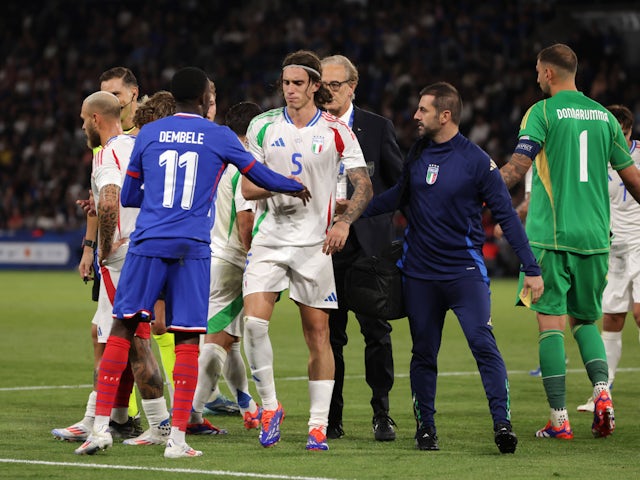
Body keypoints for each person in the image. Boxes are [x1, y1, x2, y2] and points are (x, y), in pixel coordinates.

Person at [74, 66, 310, 459]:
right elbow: (259, 173)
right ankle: (178, 440)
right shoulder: (217, 136)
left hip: (148, 242)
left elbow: (130, 193)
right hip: (192, 246)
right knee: (187, 338)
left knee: (122, 327)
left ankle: (98, 428)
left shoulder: (147, 133)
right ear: (203, 100)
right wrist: (294, 185)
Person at [363, 82, 544, 454]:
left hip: (463, 274)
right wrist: (351, 212)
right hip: (419, 275)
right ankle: (425, 428)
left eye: (423, 110)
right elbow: (397, 196)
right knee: (424, 352)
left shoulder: (476, 161)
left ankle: (502, 424)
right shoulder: (417, 153)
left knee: (483, 344)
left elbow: (507, 217)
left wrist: (532, 267)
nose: (415, 115)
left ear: (445, 115)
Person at [499, 43, 640, 440]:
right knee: (586, 322)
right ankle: (602, 393)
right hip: (596, 238)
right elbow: (633, 180)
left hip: (551, 236)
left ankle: (559, 419)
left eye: (536, 71)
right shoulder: (604, 117)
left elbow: (518, 166)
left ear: (547, 73)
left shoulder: (541, 112)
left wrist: (477, 186)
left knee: (550, 326)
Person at [241, 49, 373, 451]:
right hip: (270, 240)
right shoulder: (262, 125)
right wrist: (282, 184)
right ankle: (270, 407)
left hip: (314, 246)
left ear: (315, 86)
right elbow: (247, 188)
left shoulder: (336, 130)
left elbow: (363, 185)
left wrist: (344, 222)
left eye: (298, 83)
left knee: (319, 337)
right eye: (285, 83)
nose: (290, 91)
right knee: (253, 324)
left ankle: (317, 426)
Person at [55, 91, 173, 450]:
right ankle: (99, 420)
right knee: (112, 338)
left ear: (95, 120)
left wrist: (105, 245)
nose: (81, 125)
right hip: (147, 248)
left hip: (123, 261)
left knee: (133, 342)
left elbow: (109, 198)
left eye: (82, 119)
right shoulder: (136, 147)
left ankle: (148, 425)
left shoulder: (105, 153)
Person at [319, 54, 403, 441]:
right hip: (324, 251)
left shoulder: (376, 128)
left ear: (353, 87)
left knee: (376, 333)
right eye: (323, 84)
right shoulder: (311, 128)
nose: (328, 90)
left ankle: (381, 414)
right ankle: (331, 417)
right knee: (328, 337)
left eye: (336, 84)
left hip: (370, 249)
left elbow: (401, 186)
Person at [187, 101, 264, 435]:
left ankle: (247, 404)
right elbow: (245, 221)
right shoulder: (244, 164)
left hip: (205, 256)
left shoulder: (213, 159)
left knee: (228, 336)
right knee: (217, 341)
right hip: (231, 261)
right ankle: (191, 413)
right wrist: (254, 263)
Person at [576, 104, 640, 413]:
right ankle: (603, 392)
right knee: (612, 318)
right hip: (612, 248)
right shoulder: (595, 160)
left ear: (628, 132)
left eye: (622, 135)